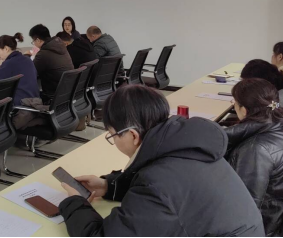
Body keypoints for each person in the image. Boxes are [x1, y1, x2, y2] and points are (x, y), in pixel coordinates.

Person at [58, 84, 264, 237]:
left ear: (132, 136)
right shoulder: (189, 147)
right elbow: (172, 193)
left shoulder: (157, 182)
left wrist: (75, 202)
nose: (113, 141)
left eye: (112, 135)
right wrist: (109, 186)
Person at [224, 78, 283, 236]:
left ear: (244, 110)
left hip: (264, 230)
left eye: (234, 103)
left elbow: (243, 208)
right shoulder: (280, 130)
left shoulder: (255, 150)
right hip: (277, 223)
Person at [0, 33, 39, 105]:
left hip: (21, 105)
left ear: (6, 49)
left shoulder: (10, 63)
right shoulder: (27, 59)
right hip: (34, 101)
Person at [28, 24, 73, 100]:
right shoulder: (60, 46)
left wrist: (26, 56)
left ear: (38, 40)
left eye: (33, 41)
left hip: (53, 96)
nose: (34, 43)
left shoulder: (43, 54)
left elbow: (31, 73)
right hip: (68, 93)